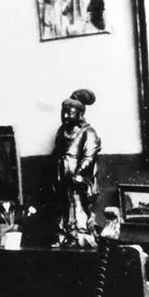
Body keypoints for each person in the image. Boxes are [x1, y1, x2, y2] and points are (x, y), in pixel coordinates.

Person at [52, 88, 101, 247]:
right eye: (63, 113)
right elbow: (57, 152)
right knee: (63, 203)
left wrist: (79, 173)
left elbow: (90, 156)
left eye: (69, 113)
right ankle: (64, 232)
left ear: (80, 114)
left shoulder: (88, 132)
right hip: (61, 173)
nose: (65, 117)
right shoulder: (62, 132)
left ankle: (80, 233)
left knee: (77, 202)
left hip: (77, 176)